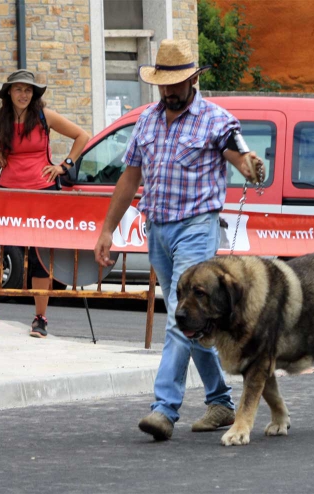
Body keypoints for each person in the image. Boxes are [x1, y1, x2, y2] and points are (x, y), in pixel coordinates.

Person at [93, 39, 264, 441]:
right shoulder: (147, 122)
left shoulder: (217, 121)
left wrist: (251, 165)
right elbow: (129, 178)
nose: (169, 91)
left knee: (176, 319)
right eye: (163, 84)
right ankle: (221, 401)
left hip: (196, 228)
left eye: (176, 83)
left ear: (193, 80)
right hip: (159, 231)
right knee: (192, 322)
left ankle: (163, 408)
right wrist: (106, 229)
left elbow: (241, 155)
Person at [0, 69, 89, 337]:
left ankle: (40, 318)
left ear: (34, 94)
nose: (23, 94)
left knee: (41, 255)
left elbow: (82, 136)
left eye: (28, 90)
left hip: (43, 193)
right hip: (8, 193)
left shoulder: (44, 116)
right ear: (9, 93)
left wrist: (64, 166)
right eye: (18, 89)